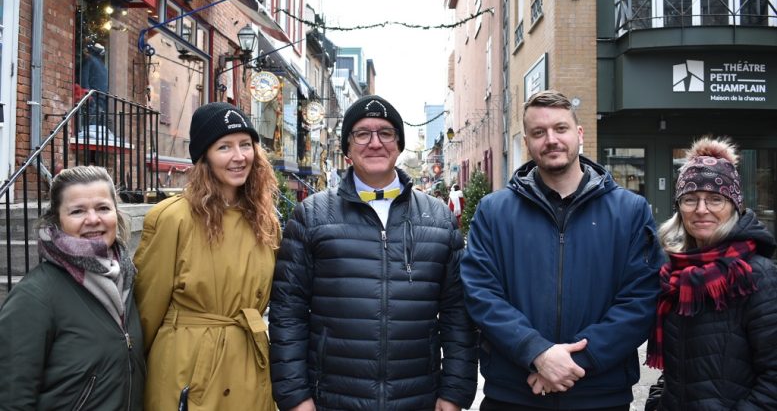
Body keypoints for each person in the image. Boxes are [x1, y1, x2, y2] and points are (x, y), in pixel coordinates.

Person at [270, 94, 478, 411]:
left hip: (417, 397)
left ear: (399, 143)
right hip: (332, 398)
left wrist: (454, 393)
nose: (375, 143)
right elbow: (288, 313)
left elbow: (458, 315)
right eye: (362, 133)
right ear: (348, 148)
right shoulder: (311, 216)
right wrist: (295, 397)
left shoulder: (438, 219)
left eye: (385, 133)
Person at [460, 89, 664, 410]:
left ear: (579, 134)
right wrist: (537, 353)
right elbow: (481, 293)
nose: (551, 139)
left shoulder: (630, 211)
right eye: (538, 132)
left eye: (560, 128)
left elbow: (641, 298)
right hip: (514, 393)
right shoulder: (494, 211)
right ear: (527, 141)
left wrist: (574, 362)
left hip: (600, 395)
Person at [133, 102, 280, 410]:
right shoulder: (173, 218)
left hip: (249, 364)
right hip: (187, 370)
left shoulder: (265, 221)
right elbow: (147, 308)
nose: (239, 157)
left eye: (245, 145)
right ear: (205, 158)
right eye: (224, 147)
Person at [643, 137, 777, 410]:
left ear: (734, 207)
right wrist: (658, 402)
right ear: (679, 209)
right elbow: (675, 367)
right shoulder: (676, 276)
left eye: (715, 199)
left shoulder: (758, 276)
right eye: (690, 199)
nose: (701, 209)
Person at [0, 166, 144, 409]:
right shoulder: (35, 296)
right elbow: (12, 398)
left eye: (103, 208)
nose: (93, 219)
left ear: (116, 214)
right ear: (57, 221)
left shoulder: (127, 281)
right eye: (77, 211)